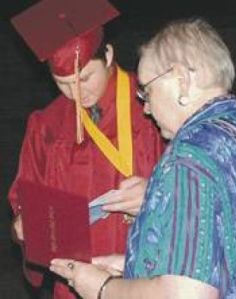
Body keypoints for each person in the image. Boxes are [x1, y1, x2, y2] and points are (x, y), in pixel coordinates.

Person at [49, 17, 236, 299]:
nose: (147, 107)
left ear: (182, 80)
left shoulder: (189, 159)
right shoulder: (233, 131)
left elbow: (186, 295)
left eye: (147, 90)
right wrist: (131, 268)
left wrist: (104, 289)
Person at [9, 0, 164, 298]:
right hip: (75, 279)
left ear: (107, 55)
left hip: (146, 274)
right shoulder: (47, 125)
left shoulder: (153, 105)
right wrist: (22, 227)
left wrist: (155, 193)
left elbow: (196, 184)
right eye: (63, 83)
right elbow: (25, 198)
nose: (76, 94)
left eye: (84, 79)